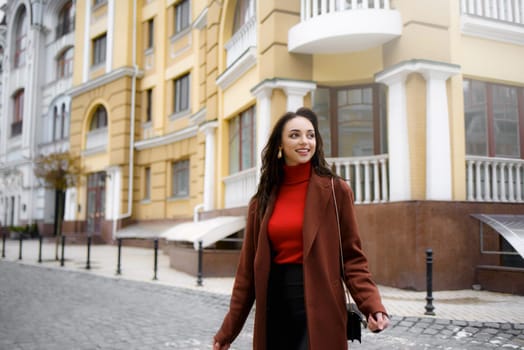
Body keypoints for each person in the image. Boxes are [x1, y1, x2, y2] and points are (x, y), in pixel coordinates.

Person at [213, 107, 389, 349]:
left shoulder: (336, 192)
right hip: (275, 306)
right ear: (280, 145)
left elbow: (352, 257)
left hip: (322, 304)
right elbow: (247, 276)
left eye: (310, 135)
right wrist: (227, 333)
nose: (305, 141)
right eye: (295, 135)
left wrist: (372, 305)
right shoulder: (261, 201)